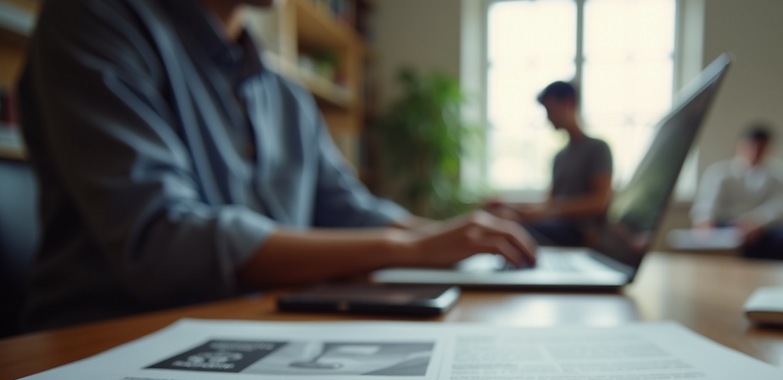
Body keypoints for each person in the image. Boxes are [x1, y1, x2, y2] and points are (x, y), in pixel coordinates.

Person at [17, 0, 536, 331]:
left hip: (262, 326)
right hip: (113, 341)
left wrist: (452, 237)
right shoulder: (94, 20)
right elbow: (162, 238)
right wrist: (411, 246)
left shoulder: (285, 95)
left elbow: (350, 209)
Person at [487, 81, 613, 247]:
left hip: (577, 233)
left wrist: (550, 210)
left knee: (507, 232)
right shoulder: (560, 157)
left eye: (550, 110)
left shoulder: (597, 148)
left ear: (568, 102)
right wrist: (511, 207)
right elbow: (548, 204)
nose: (548, 118)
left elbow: (600, 201)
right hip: (554, 226)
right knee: (501, 218)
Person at [689, 125, 783, 262]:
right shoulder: (719, 172)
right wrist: (704, 220)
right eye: (752, 146)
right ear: (741, 145)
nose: (755, 151)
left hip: (766, 228)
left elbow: (782, 206)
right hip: (727, 225)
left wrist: (756, 222)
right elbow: (707, 203)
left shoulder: (779, 176)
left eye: (761, 147)